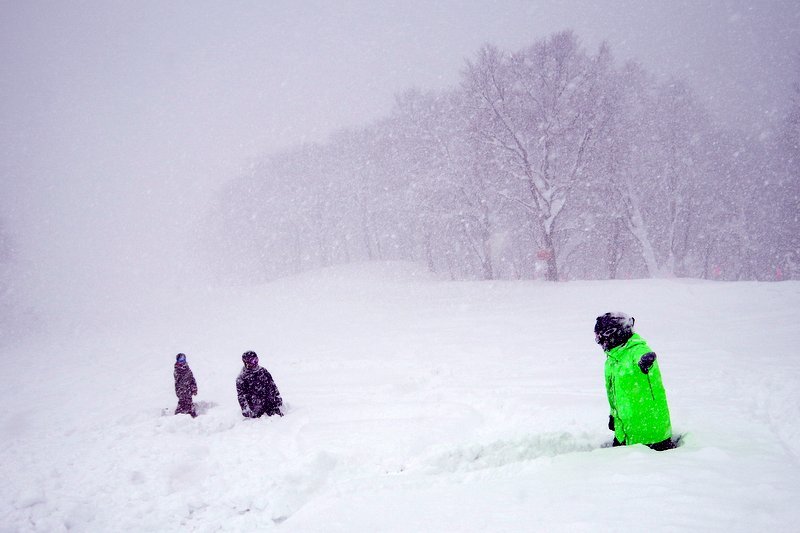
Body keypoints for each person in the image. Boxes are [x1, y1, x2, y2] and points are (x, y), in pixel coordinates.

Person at [594, 312, 674, 450]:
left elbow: (642, 353)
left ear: (615, 334)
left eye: (602, 337)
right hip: (625, 431)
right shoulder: (612, 359)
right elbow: (614, 394)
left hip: (650, 434)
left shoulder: (635, 349)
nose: (600, 342)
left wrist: (645, 360)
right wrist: (614, 416)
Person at [236, 351, 284, 418]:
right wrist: (245, 409)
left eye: (256, 360)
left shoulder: (263, 371)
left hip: (270, 404)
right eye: (252, 361)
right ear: (246, 362)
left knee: (280, 419)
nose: (255, 363)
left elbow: (272, 386)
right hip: (256, 409)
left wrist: (277, 398)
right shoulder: (242, 378)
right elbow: (241, 396)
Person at [174, 353, 198, 417]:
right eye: (180, 360)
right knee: (182, 406)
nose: (182, 361)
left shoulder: (188, 369)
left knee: (190, 405)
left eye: (183, 359)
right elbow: (178, 382)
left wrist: (194, 388)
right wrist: (180, 391)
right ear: (178, 361)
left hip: (188, 392)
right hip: (182, 393)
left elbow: (192, 379)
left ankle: (193, 418)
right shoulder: (177, 370)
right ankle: (178, 417)